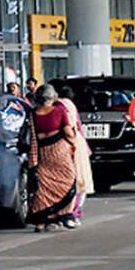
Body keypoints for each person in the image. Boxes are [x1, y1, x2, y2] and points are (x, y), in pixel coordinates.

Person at [28, 84, 78, 231]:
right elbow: (68, 132)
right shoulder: (59, 111)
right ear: (53, 97)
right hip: (60, 151)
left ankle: (42, 221)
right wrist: (74, 142)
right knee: (68, 181)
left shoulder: (32, 114)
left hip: (42, 152)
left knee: (44, 185)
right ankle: (65, 216)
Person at [57, 86, 95, 226]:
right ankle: (73, 213)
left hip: (63, 144)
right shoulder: (70, 106)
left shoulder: (57, 106)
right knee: (80, 179)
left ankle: (64, 214)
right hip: (76, 144)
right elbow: (78, 127)